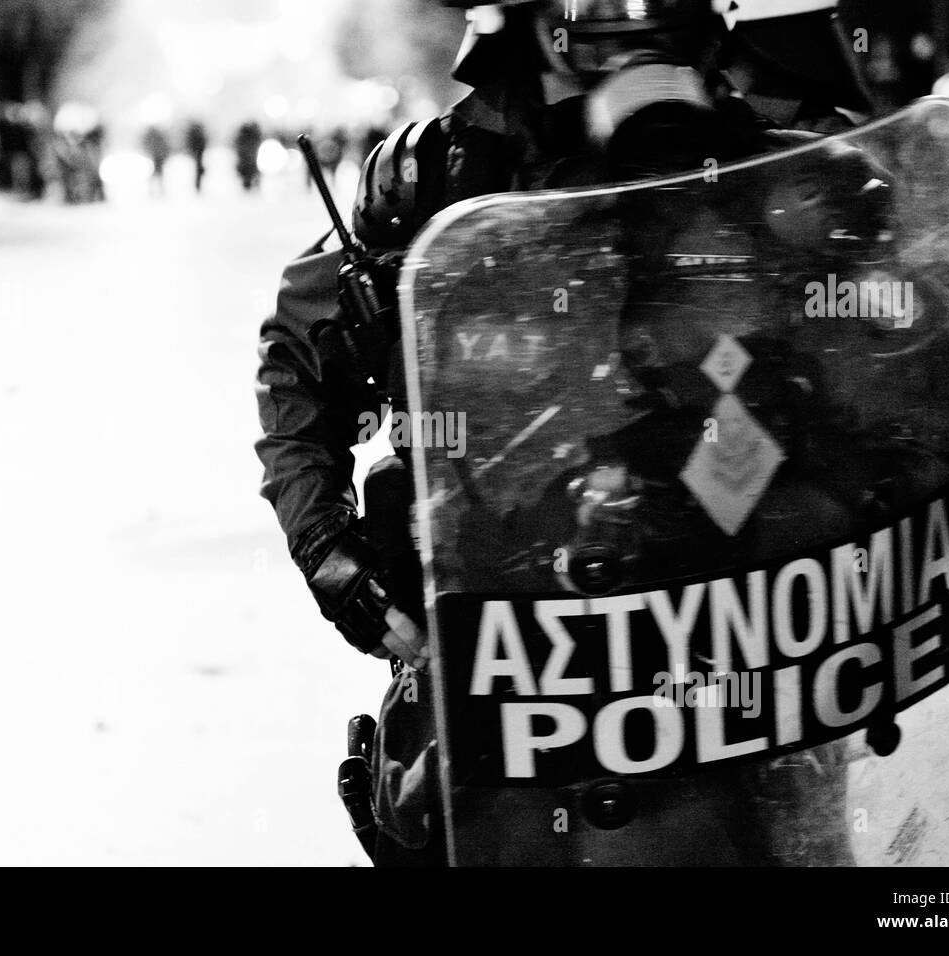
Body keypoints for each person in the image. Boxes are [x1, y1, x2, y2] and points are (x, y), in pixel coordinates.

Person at [255, 0, 879, 867]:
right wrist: (324, 539)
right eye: (594, 29)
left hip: (734, 651)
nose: (626, 56)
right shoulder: (434, 181)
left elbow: (892, 385)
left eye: (654, 26)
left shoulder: (764, 175)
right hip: (503, 657)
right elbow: (298, 354)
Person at [185, 120, 208, 193]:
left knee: (198, 169)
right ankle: (197, 185)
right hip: (197, 153)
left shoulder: (194, 133)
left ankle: (197, 185)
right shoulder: (197, 133)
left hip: (197, 153)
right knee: (198, 169)